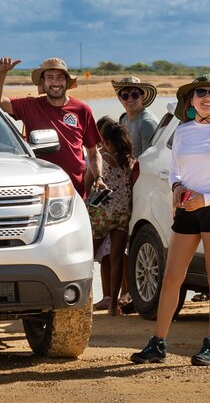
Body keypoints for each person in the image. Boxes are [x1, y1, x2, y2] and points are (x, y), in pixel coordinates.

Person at [130, 75, 210, 366]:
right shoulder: (183, 131)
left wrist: (206, 200)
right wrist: (177, 188)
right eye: (201, 93)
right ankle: (157, 343)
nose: (207, 97)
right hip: (186, 209)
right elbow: (175, 170)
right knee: (172, 277)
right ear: (191, 100)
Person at [0, 57, 105, 198]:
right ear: (42, 82)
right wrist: (2, 73)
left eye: (60, 77)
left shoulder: (82, 110)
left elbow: (93, 154)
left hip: (74, 189)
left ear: (67, 82)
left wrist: (99, 177)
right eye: (50, 77)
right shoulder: (30, 106)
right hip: (40, 188)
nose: (55, 82)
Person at [87, 120, 135, 316]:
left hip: (101, 215)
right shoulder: (130, 161)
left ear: (105, 141)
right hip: (123, 214)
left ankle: (82, 300)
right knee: (116, 259)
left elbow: (86, 182)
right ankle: (113, 305)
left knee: (86, 258)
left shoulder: (102, 158)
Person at [111, 76, 159, 158]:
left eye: (135, 95)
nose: (130, 100)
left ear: (142, 97)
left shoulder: (146, 123)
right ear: (120, 99)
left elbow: (148, 159)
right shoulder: (124, 119)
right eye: (125, 96)